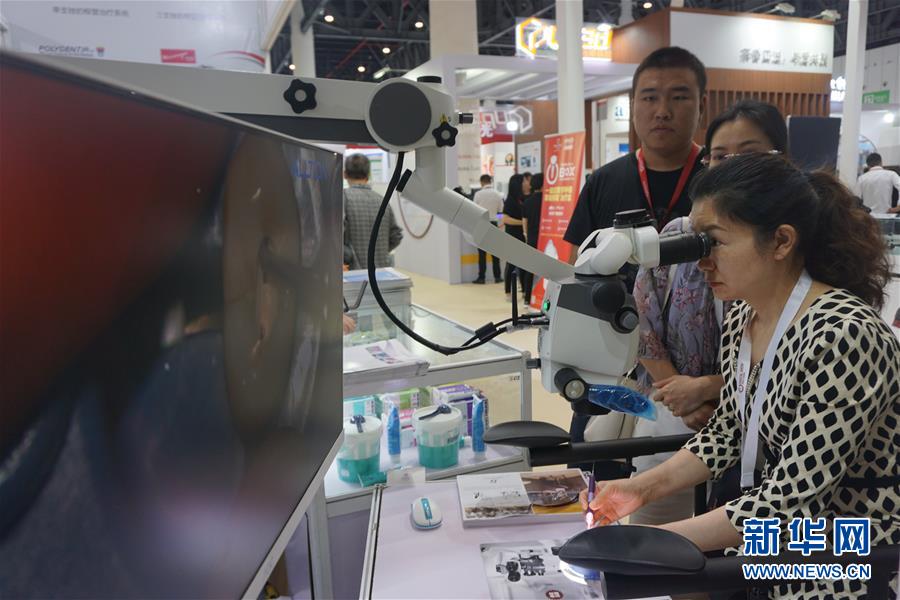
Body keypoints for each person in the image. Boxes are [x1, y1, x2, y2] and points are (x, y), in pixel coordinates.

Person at [583, 153, 899, 599]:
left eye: (713, 243)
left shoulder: (845, 336)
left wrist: (648, 541)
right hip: (778, 532)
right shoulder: (743, 319)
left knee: (667, 572)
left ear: (781, 241)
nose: (701, 263)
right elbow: (728, 430)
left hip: (847, 546)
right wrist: (639, 489)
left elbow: (790, 501)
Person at [628, 100, 789, 525]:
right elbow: (643, 321)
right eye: (719, 156)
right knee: (660, 527)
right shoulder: (687, 242)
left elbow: (793, 496)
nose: (705, 262)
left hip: (779, 466)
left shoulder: (830, 324)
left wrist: (707, 388)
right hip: (684, 423)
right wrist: (683, 397)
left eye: (749, 154)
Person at [564, 46, 707, 281]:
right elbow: (577, 267)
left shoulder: (720, 178)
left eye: (679, 97)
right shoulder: (602, 181)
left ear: (701, 106)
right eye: (650, 98)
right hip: (616, 306)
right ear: (633, 106)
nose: (662, 112)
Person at [342, 153, 403, 270]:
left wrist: (347, 256)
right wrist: (379, 251)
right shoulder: (382, 201)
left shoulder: (343, 198)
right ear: (368, 175)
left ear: (345, 174)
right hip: (381, 273)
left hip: (354, 273)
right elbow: (396, 236)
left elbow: (336, 236)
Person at [501, 173, 531, 301]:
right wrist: (523, 223)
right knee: (511, 264)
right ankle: (508, 292)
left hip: (522, 236)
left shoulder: (523, 199)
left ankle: (524, 291)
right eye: (524, 181)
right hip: (513, 236)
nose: (526, 183)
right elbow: (505, 219)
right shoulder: (510, 201)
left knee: (524, 264)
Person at [471, 174, 504, 284]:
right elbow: (501, 212)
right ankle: (497, 277)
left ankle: (481, 278)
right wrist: (498, 220)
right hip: (494, 224)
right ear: (490, 181)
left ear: (481, 182)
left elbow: (474, 210)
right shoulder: (498, 194)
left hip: (482, 224)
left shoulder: (478, 194)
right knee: (495, 252)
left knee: (482, 253)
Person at [521, 172, 544, 304]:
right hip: (545, 239)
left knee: (530, 269)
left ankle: (527, 297)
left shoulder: (527, 202)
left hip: (532, 239)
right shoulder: (547, 200)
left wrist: (526, 235)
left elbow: (524, 221)